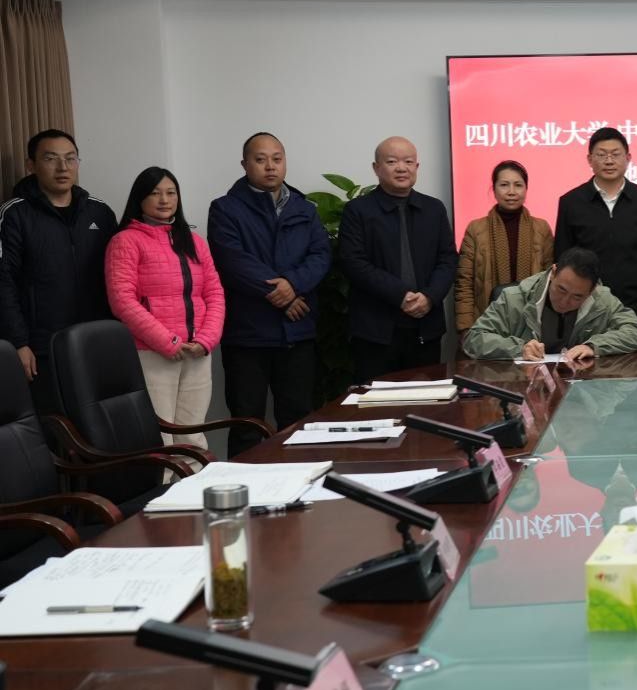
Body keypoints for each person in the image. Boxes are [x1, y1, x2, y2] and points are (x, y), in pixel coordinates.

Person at [207, 132, 331, 456]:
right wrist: (284, 295)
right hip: (248, 334)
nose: (270, 166)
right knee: (247, 424)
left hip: (297, 332)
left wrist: (293, 285)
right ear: (245, 164)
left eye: (277, 159)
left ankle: (300, 484)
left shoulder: (304, 207)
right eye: (260, 160)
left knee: (298, 421)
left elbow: (320, 255)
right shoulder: (225, 209)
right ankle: (245, 487)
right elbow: (233, 261)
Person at [105, 167, 224, 449]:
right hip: (153, 353)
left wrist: (206, 339)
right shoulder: (125, 241)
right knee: (160, 437)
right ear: (140, 199)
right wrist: (167, 342)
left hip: (196, 352)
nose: (164, 200)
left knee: (193, 434)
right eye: (155, 193)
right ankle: (164, 480)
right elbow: (122, 301)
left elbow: (214, 293)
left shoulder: (194, 241)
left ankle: (195, 479)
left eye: (171, 193)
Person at [0, 129, 117, 412]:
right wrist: (19, 343)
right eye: (51, 159)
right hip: (42, 347)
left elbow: (118, 277)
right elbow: (4, 282)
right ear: (31, 165)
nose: (63, 167)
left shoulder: (99, 212)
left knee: (99, 422)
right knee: (54, 424)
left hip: (95, 340)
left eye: (70, 158)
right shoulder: (14, 214)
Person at [340, 136, 458, 381]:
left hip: (425, 326)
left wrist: (429, 296)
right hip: (375, 330)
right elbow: (354, 263)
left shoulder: (434, 209)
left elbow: (447, 260)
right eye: (392, 161)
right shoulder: (358, 210)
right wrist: (401, 295)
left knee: (426, 399)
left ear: (417, 167)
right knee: (377, 400)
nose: (401, 168)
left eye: (408, 161)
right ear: (376, 168)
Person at [555, 127, 637, 347]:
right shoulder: (571, 202)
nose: (609, 161)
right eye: (601, 154)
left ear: (628, 158)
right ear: (590, 159)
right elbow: (562, 261)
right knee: (587, 365)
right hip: (588, 309)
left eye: (615, 154)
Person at [462, 246, 637, 361]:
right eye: (561, 290)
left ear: (591, 291)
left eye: (577, 297)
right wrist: (519, 348)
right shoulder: (515, 297)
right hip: (525, 386)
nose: (565, 302)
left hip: (580, 389)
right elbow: (474, 339)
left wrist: (593, 346)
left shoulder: (602, 300)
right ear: (553, 273)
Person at [455, 160, 553, 335]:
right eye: (504, 185)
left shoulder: (541, 228)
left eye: (518, 185)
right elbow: (464, 283)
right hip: (485, 321)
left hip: (531, 324)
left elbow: (550, 280)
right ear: (493, 189)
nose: (511, 192)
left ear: (526, 189)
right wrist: (465, 327)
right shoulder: (476, 229)